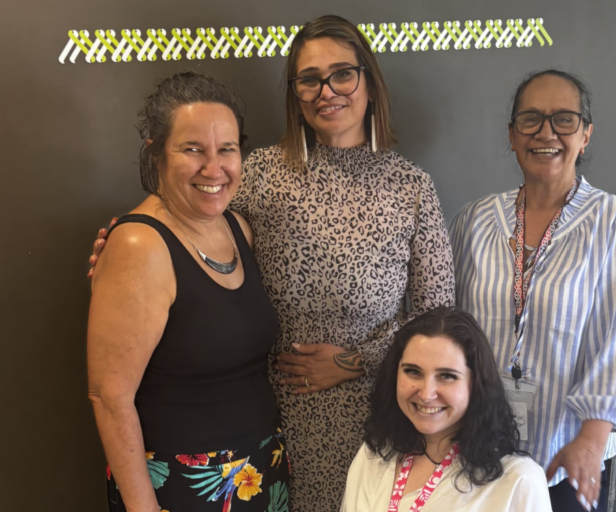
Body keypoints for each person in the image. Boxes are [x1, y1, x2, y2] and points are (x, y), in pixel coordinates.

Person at [89, 15, 455, 512]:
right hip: (277, 421)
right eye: (309, 79)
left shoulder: (412, 187)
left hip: (376, 416)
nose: (327, 91)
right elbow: (189, 234)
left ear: (369, 79)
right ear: (295, 93)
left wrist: (352, 361)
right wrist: (120, 248)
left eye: (342, 74)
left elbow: (437, 317)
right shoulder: (257, 173)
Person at [449, 70, 616, 511]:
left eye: (564, 120)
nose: (546, 132)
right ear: (511, 135)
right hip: (472, 452)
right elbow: (445, 331)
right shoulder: (473, 221)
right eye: (530, 119)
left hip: (565, 460)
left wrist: (592, 438)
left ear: (585, 135)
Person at [87, 72, 288, 512]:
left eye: (226, 150)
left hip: (258, 473)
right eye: (192, 149)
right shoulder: (139, 245)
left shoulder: (239, 228)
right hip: (180, 484)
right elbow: (109, 397)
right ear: (156, 153)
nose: (213, 169)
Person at [341, 306, 552, 511]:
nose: (426, 393)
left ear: (476, 383)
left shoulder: (519, 482)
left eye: (447, 376)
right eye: (413, 371)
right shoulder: (373, 454)